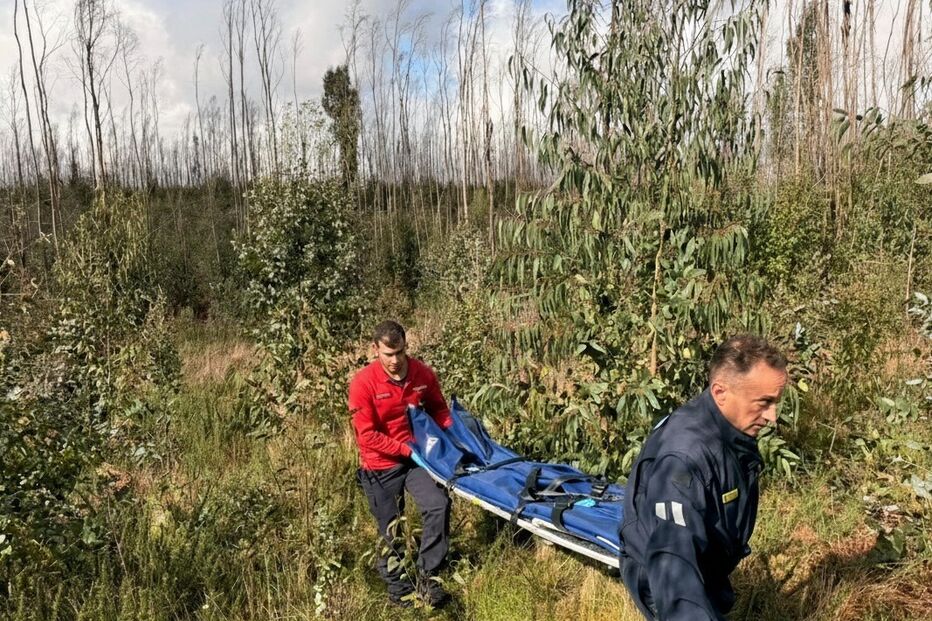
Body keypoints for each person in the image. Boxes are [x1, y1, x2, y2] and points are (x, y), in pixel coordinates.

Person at [619, 334, 788, 620]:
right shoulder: (683, 460)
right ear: (720, 393)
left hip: (708, 561)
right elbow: (672, 563)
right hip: (660, 577)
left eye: (775, 402)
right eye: (763, 403)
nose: (772, 416)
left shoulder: (728, 423)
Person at [348, 320, 453, 608]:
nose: (395, 361)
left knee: (437, 505)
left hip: (416, 459)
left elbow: (439, 409)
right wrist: (402, 450)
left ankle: (428, 574)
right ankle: (399, 590)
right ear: (375, 350)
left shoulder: (421, 374)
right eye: (388, 354)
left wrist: (454, 434)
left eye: (400, 353)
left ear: (407, 347)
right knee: (391, 529)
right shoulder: (363, 383)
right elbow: (366, 435)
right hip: (380, 463)